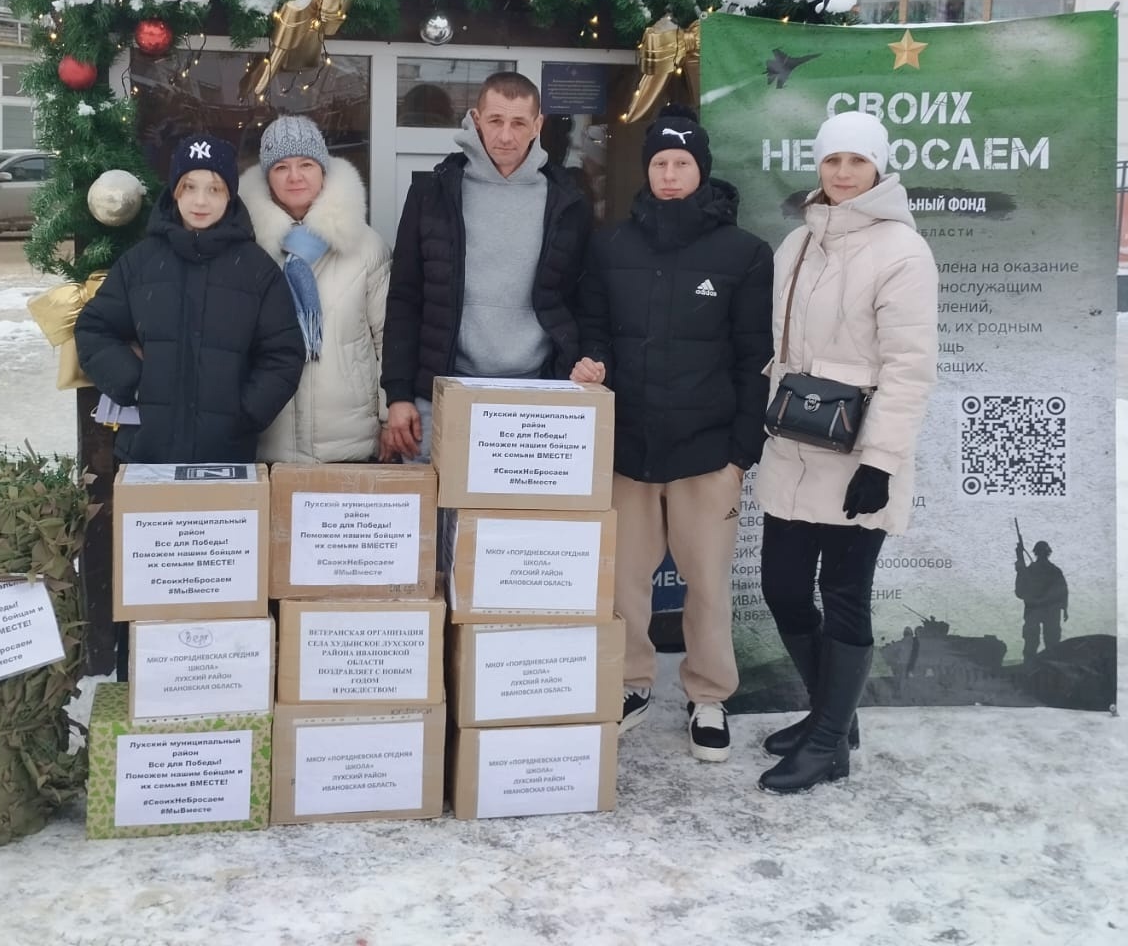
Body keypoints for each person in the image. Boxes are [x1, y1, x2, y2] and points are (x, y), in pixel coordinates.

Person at [571, 104, 773, 763]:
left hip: (707, 452)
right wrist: (592, 359)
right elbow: (593, 327)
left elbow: (754, 357)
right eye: (659, 162)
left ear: (701, 171)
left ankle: (709, 694)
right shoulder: (611, 245)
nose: (669, 173)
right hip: (629, 448)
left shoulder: (743, 253)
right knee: (625, 583)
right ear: (647, 170)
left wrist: (744, 449)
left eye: (681, 163)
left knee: (707, 587)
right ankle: (631, 683)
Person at [756, 110, 937, 795]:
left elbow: (909, 367)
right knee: (780, 588)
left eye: (856, 161)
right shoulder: (797, 244)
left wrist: (882, 462)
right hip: (795, 446)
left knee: (844, 597)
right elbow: (780, 353)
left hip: (860, 455)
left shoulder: (901, 252)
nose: (841, 173)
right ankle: (829, 714)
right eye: (832, 160)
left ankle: (830, 740)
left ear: (878, 168)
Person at [382, 71, 591, 461]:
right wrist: (397, 394)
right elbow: (405, 300)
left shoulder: (567, 203)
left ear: (538, 126)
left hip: (536, 398)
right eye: (495, 121)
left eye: (518, 123)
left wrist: (585, 366)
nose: (506, 136)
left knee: (515, 521)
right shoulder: (433, 193)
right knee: (437, 520)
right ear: (476, 119)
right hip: (442, 393)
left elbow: (582, 300)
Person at [75, 132, 305, 465]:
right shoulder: (140, 263)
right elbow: (94, 330)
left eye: (214, 189)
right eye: (190, 187)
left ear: (230, 195)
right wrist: (135, 384)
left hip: (226, 458)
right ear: (175, 191)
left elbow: (283, 355)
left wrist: (243, 413)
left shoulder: (257, 270)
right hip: (145, 455)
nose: (200, 201)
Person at [237, 115, 391, 463]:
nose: (295, 176)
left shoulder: (365, 246)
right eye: (281, 167)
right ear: (266, 176)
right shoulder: (245, 249)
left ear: (322, 168)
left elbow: (388, 338)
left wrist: (387, 415)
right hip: (267, 439)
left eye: (306, 164)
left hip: (348, 439)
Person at [1014, 539, 1068, 662]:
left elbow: (1020, 590)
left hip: (1041, 610)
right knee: (1041, 642)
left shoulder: (1037, 570)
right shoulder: (1053, 570)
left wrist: (1020, 558)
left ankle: (1033, 666)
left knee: (1043, 642)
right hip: (1042, 611)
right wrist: (1019, 557)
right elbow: (1063, 591)